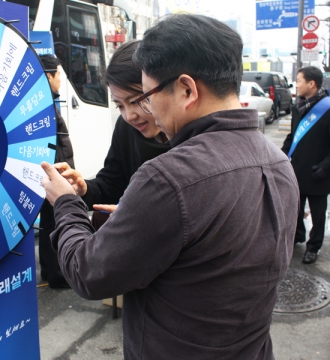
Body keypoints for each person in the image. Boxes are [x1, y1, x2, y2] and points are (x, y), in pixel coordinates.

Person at [40, 13, 299, 359]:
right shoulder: (279, 163)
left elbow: (88, 273)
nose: (143, 112)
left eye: (145, 97)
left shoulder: (169, 179)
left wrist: (65, 204)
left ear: (187, 89)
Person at [54, 40, 171, 214]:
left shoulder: (192, 137)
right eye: (120, 106)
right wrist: (84, 188)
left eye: (136, 101)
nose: (129, 116)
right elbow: (111, 184)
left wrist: (139, 216)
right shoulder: (126, 128)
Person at [282, 66, 330, 264]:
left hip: (319, 171)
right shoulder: (298, 106)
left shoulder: (326, 108)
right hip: (298, 169)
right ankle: (297, 236)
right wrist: (282, 155)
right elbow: (293, 136)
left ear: (312, 84)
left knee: (318, 214)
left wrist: (326, 166)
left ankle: (314, 246)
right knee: (296, 208)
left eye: (299, 80)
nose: (296, 85)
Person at [38, 55, 75, 288]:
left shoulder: (44, 100)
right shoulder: (46, 103)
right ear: (49, 75)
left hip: (48, 173)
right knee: (54, 223)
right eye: (59, 74)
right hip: (54, 173)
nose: (60, 79)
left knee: (47, 224)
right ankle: (58, 276)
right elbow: (54, 145)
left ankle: (48, 271)